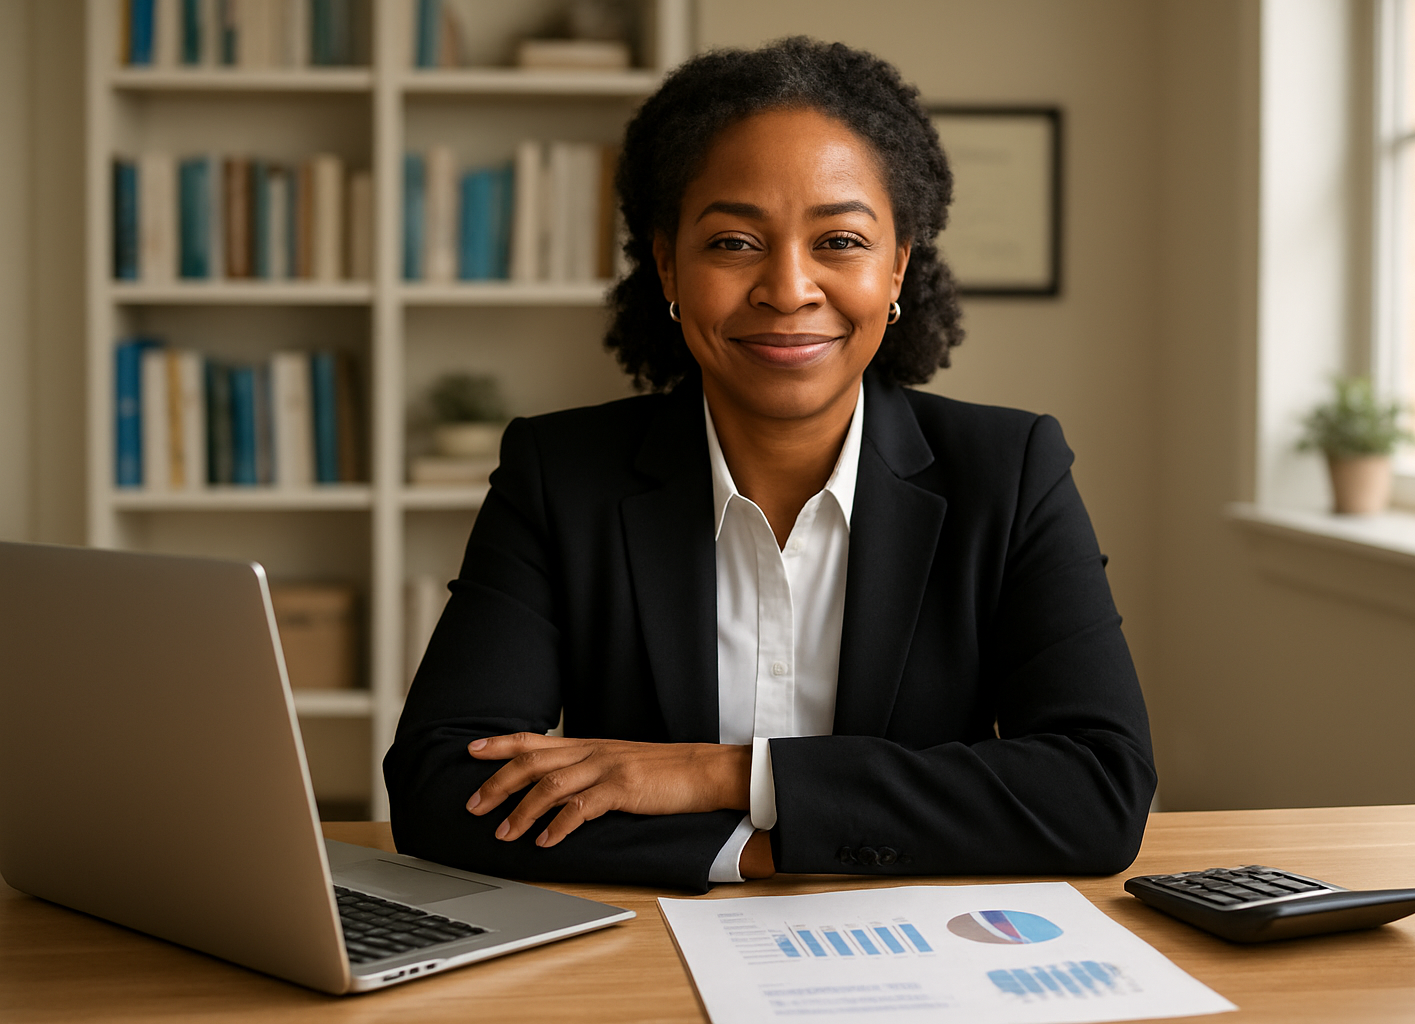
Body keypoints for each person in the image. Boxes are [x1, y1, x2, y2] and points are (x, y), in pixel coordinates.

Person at [384, 37, 1156, 893]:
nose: (789, 289)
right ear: (668, 262)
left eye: (840, 240)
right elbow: (442, 786)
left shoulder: (1009, 472)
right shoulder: (561, 474)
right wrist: (753, 853)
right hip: (644, 963)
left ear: (898, 264)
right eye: (734, 243)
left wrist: (724, 775)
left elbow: (1097, 790)